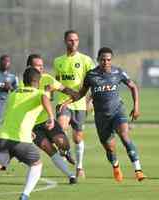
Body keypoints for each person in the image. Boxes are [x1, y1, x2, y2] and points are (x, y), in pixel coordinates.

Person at [0, 67, 54, 200]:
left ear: (24, 80)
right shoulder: (39, 93)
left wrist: (29, 130)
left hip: (4, 140)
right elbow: (44, 98)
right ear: (38, 80)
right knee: (37, 164)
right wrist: (51, 117)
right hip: (21, 141)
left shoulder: (14, 94)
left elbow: (17, 114)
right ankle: (25, 195)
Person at [62, 47, 146, 182]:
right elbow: (81, 94)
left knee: (125, 136)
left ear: (111, 60)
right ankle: (116, 165)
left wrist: (136, 107)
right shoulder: (91, 75)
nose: (106, 62)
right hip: (101, 118)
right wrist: (67, 102)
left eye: (108, 60)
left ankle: (138, 170)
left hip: (118, 112)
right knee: (110, 148)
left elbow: (133, 86)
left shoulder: (118, 72)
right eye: (103, 60)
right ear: (98, 60)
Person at [26, 54, 77, 184]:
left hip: (49, 121)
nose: (41, 68)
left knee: (62, 142)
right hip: (34, 126)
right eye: (38, 65)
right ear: (29, 67)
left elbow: (64, 89)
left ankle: (66, 151)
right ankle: (71, 175)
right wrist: (27, 128)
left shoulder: (48, 79)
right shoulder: (23, 85)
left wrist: (76, 95)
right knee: (48, 148)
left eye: (42, 65)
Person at [53, 30, 95, 178]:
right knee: (61, 128)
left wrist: (90, 99)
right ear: (65, 41)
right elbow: (56, 82)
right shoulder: (58, 61)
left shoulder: (86, 60)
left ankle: (79, 167)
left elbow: (93, 82)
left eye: (76, 40)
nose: (74, 43)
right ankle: (65, 151)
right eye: (71, 40)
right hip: (63, 102)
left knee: (77, 138)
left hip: (80, 103)